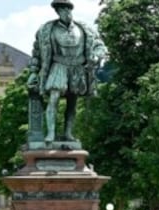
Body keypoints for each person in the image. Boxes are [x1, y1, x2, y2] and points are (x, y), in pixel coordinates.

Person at [27, 0, 106, 143]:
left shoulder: (85, 29)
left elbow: (100, 46)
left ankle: (68, 133)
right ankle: (51, 133)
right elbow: (37, 52)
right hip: (59, 66)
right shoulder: (46, 30)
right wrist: (33, 71)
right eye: (61, 10)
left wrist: (96, 55)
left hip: (77, 68)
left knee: (72, 102)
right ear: (57, 12)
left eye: (67, 9)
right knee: (54, 97)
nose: (66, 13)